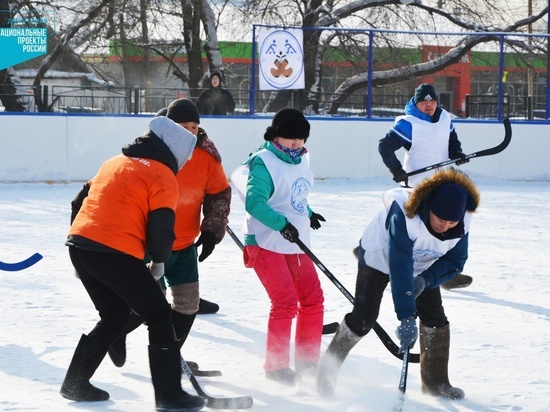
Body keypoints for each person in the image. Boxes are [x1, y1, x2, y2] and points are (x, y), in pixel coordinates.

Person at [61, 116, 204, 412]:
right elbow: (161, 231)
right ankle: (169, 395)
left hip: (80, 245)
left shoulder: (113, 162)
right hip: (114, 252)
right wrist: (159, 263)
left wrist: (83, 242)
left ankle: (75, 383)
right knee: (159, 314)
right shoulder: (163, 175)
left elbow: (78, 203)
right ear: (175, 151)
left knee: (114, 316)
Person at [316, 168, 480, 400]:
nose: (445, 227)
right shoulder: (404, 214)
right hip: (380, 257)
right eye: (440, 220)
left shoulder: (461, 222)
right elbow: (400, 262)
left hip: (421, 264)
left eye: (452, 222)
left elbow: (455, 261)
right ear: (430, 207)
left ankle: (436, 382)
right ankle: (327, 371)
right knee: (364, 318)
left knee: (435, 318)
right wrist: (406, 316)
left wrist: (426, 280)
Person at [107, 98, 231, 372]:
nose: (189, 132)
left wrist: (211, 230)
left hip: (184, 244)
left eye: (194, 127)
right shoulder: (152, 154)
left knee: (188, 305)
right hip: (148, 243)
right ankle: (115, 333)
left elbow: (219, 192)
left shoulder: (208, 157)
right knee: (146, 306)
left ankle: (170, 359)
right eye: (183, 126)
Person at [241, 108, 325, 387]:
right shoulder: (263, 162)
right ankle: (276, 366)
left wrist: (308, 213)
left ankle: (307, 358)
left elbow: (293, 194)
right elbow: (255, 203)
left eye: (301, 139)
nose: (297, 144)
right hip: (266, 242)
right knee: (285, 302)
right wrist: (281, 224)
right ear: (276, 135)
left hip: (295, 241)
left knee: (312, 298)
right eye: (291, 138)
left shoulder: (301, 159)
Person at [378, 83, 472, 290]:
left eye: (432, 100)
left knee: (449, 226)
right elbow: (384, 146)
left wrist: (456, 153)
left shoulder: (445, 118)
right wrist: (396, 169)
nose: (428, 105)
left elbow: (451, 140)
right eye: (423, 101)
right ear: (416, 102)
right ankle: (374, 253)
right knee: (416, 231)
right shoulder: (408, 124)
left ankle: (446, 272)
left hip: (441, 183)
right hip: (417, 187)